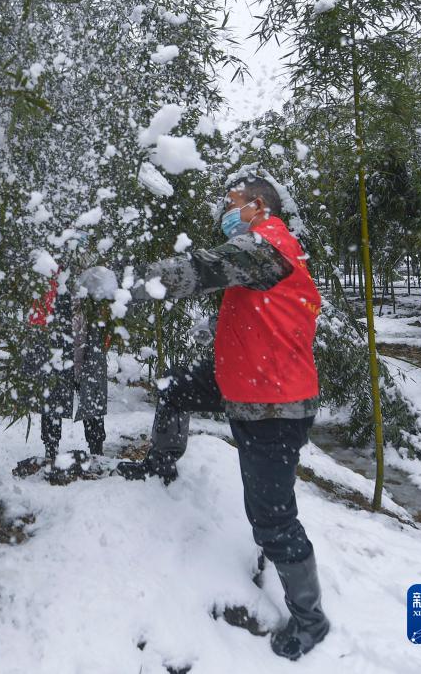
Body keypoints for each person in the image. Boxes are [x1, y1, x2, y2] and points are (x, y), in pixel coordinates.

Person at [79, 175, 329, 661]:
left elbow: (202, 268)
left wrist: (125, 280)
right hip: (243, 382)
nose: (224, 210)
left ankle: (309, 620)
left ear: (258, 206)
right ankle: (161, 462)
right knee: (174, 388)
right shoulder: (267, 250)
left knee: (272, 519)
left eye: (232, 203)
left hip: (273, 407)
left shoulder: (268, 244)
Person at [27, 265, 108, 461]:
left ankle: (96, 451)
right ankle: (51, 451)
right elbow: (37, 319)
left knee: (91, 399)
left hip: (87, 351)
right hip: (57, 352)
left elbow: (105, 312)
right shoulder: (48, 278)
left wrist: (101, 339)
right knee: (54, 400)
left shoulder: (91, 277)